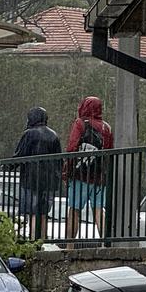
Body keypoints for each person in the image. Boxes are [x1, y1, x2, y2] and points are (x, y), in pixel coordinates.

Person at [63, 96, 113, 250]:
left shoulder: (80, 123)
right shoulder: (106, 127)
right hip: (99, 176)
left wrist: (67, 170)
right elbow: (109, 151)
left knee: (74, 210)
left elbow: (72, 147)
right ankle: (105, 245)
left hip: (80, 175)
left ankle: (70, 246)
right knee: (98, 210)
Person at [13, 106, 61, 240]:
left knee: (33, 212)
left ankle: (34, 240)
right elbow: (59, 159)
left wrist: (9, 166)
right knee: (43, 213)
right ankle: (42, 240)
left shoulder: (29, 133)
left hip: (31, 179)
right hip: (49, 181)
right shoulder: (54, 135)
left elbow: (20, 155)